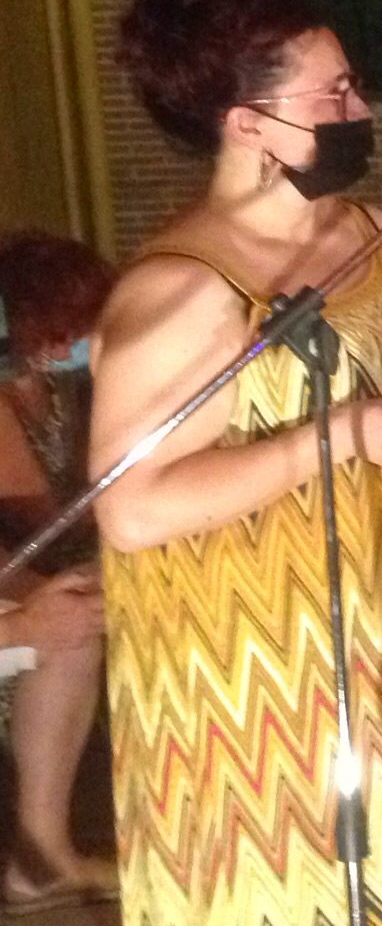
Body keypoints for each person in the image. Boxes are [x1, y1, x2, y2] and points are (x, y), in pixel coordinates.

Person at [90, 0, 382, 924]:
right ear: (247, 124)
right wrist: (337, 438)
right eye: (333, 94)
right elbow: (131, 509)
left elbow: (371, 382)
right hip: (276, 659)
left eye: (354, 85)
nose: (361, 110)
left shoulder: (374, 231)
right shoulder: (183, 289)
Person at [0, 235, 119, 914]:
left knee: (78, 612)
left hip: (34, 571)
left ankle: (46, 853)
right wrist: (26, 620)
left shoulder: (62, 390)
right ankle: (38, 856)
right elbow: (37, 523)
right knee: (68, 624)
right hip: (22, 580)